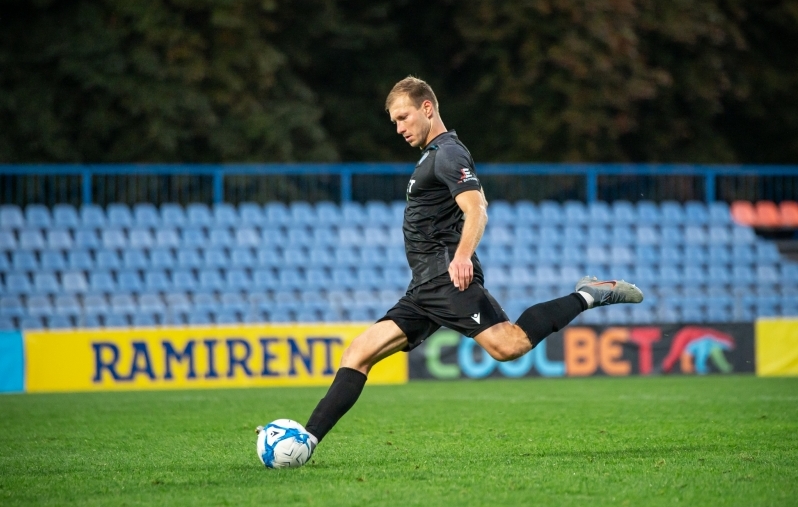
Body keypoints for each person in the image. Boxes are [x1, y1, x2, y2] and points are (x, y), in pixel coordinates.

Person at [300, 76, 643, 457]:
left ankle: (589, 294)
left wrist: (462, 256)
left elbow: (476, 207)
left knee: (508, 345)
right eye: (394, 121)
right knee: (358, 353)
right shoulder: (430, 156)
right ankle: (306, 441)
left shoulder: (447, 153)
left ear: (427, 109)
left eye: (403, 117)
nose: (399, 128)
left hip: (447, 279)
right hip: (423, 288)